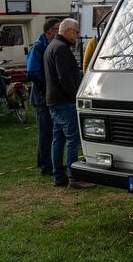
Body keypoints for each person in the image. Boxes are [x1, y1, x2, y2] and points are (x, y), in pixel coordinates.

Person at [44, 18, 95, 189]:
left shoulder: (51, 46)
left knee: (58, 139)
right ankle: (74, 177)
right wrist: (75, 97)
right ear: (66, 31)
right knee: (72, 139)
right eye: (76, 31)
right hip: (64, 101)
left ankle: (59, 176)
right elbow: (64, 77)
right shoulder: (61, 49)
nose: (78, 35)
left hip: (53, 101)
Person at [26, 18, 60, 176]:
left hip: (49, 96)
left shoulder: (50, 46)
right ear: (49, 32)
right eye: (57, 29)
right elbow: (32, 72)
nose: (59, 32)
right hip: (41, 98)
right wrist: (46, 87)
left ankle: (53, 163)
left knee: (53, 131)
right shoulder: (38, 47)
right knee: (45, 132)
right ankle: (45, 166)